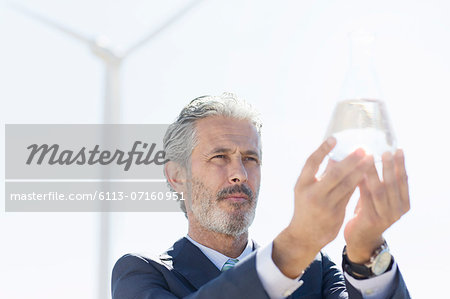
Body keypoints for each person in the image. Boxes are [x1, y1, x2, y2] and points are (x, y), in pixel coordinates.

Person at [111, 93, 410, 298]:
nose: (239, 173)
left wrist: (366, 252)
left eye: (250, 158)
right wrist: (294, 247)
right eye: (219, 157)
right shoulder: (142, 274)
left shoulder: (317, 270)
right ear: (177, 176)